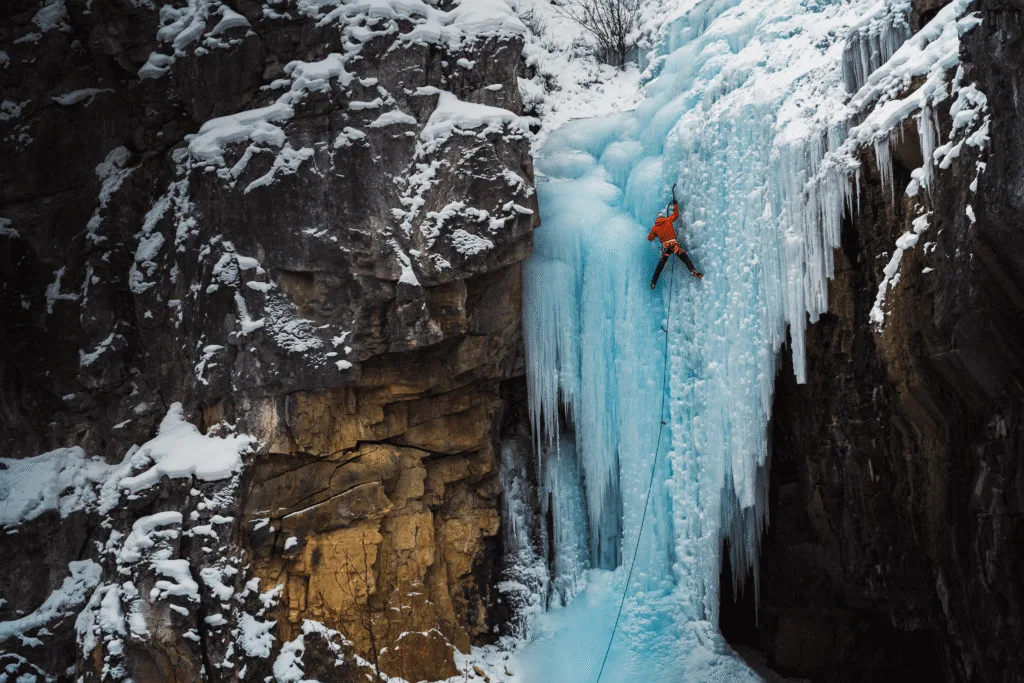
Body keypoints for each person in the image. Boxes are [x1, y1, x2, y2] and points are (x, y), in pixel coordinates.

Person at [648, 184, 702, 289]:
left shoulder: (654, 228)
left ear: (657, 219)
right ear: (663, 217)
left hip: (666, 248)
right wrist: (675, 204)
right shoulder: (668, 220)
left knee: (660, 266)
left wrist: (654, 234)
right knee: (685, 258)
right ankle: (693, 271)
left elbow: (649, 238)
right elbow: (676, 214)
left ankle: (653, 282)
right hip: (674, 246)